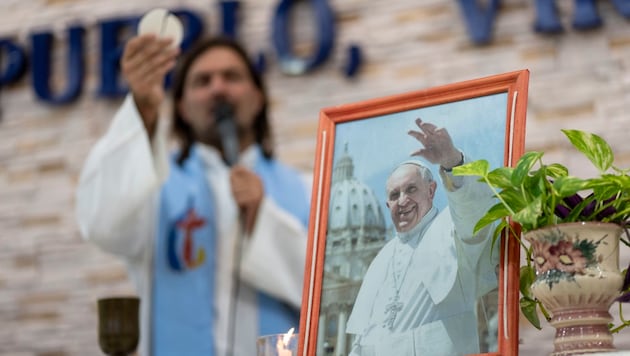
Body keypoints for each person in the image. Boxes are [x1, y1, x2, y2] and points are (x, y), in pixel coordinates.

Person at [75, 34, 310, 356]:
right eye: (202, 81)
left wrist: (261, 217)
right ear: (182, 108)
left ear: (258, 98)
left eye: (232, 77)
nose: (218, 88)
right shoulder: (153, 186)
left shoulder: (307, 190)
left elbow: (329, 295)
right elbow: (103, 225)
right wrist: (142, 110)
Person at [345, 118, 498, 356]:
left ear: (431, 190)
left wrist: (451, 160)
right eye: (395, 195)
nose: (402, 201)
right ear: (388, 204)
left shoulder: (453, 228)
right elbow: (365, 336)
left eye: (411, 189)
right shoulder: (382, 258)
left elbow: (475, 211)